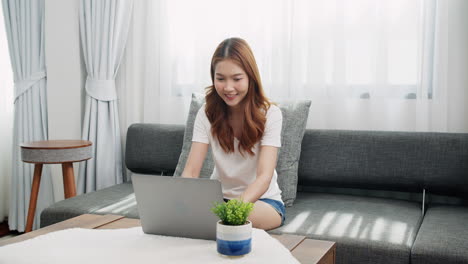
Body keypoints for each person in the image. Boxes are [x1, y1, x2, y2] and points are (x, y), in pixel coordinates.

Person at [182, 37, 285, 230]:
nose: (228, 88)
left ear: (250, 77)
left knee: (226, 219)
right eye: (220, 79)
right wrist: (180, 202)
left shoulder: (271, 114)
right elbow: (191, 171)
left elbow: (264, 176)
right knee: (214, 218)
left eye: (237, 79)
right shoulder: (206, 113)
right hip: (218, 201)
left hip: (262, 203)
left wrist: (235, 208)